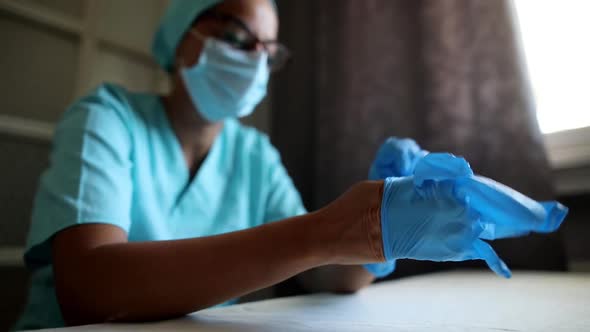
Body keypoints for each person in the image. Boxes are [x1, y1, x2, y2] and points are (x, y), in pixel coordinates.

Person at [14, 0, 567, 330]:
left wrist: (378, 241)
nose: (255, 60)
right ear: (181, 38)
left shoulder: (253, 155)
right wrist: (333, 229)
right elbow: (91, 288)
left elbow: (325, 272)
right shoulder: (107, 118)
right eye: (237, 37)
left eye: (269, 51)